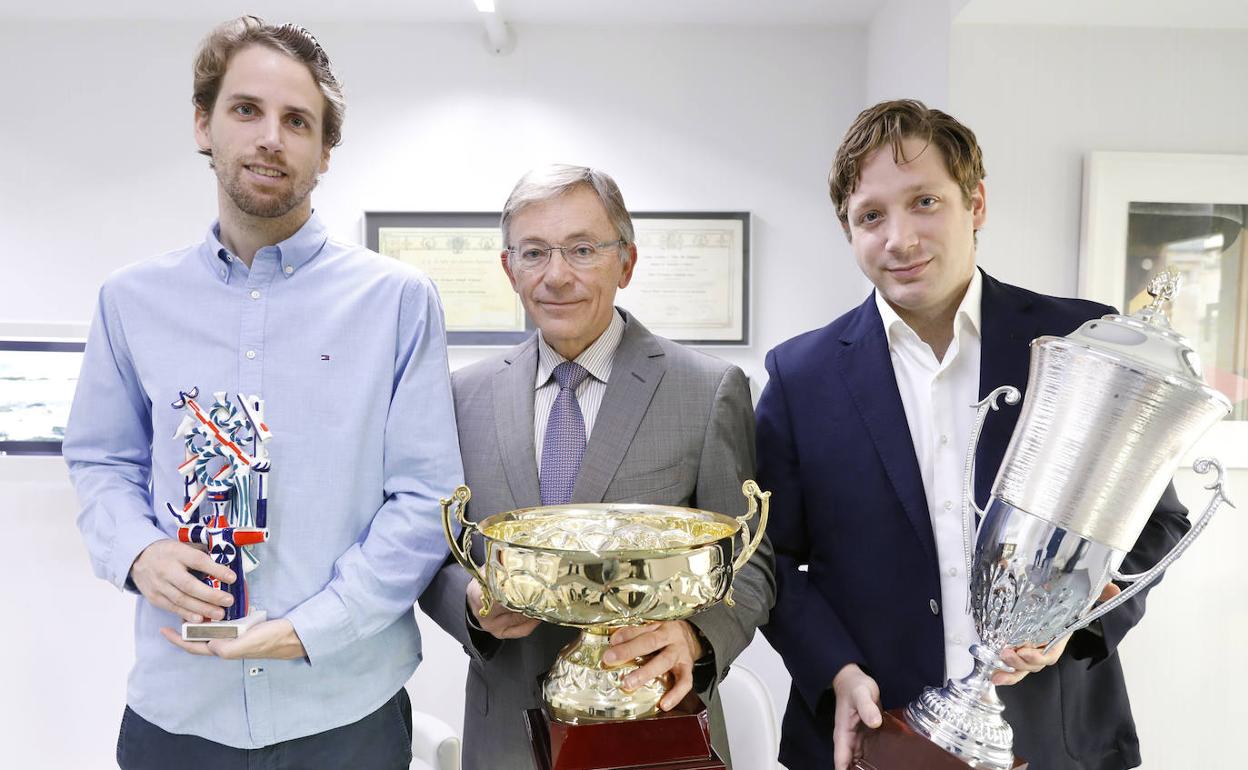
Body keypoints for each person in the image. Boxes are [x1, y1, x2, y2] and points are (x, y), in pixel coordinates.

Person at [63, 16, 462, 769]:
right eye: (246, 110)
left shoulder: (397, 301)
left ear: (325, 150)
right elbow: (100, 463)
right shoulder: (130, 301)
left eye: (297, 120)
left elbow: (426, 497)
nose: (270, 137)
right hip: (179, 710)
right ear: (203, 124)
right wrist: (141, 551)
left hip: (345, 709)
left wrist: (310, 629)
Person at [756, 99, 1189, 770]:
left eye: (925, 201)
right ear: (848, 229)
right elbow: (770, 560)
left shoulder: (1083, 340)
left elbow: (1155, 526)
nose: (899, 238)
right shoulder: (798, 374)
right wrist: (834, 669)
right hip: (870, 737)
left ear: (976, 203)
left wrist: (1075, 624)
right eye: (871, 215)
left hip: (1054, 736)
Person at [418, 163, 775, 769]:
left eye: (583, 249)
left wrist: (693, 636)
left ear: (626, 263)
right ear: (510, 269)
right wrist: (472, 604)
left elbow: (751, 560)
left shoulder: (707, 389)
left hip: (651, 729)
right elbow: (434, 548)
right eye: (534, 252)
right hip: (504, 734)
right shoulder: (460, 398)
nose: (557, 275)